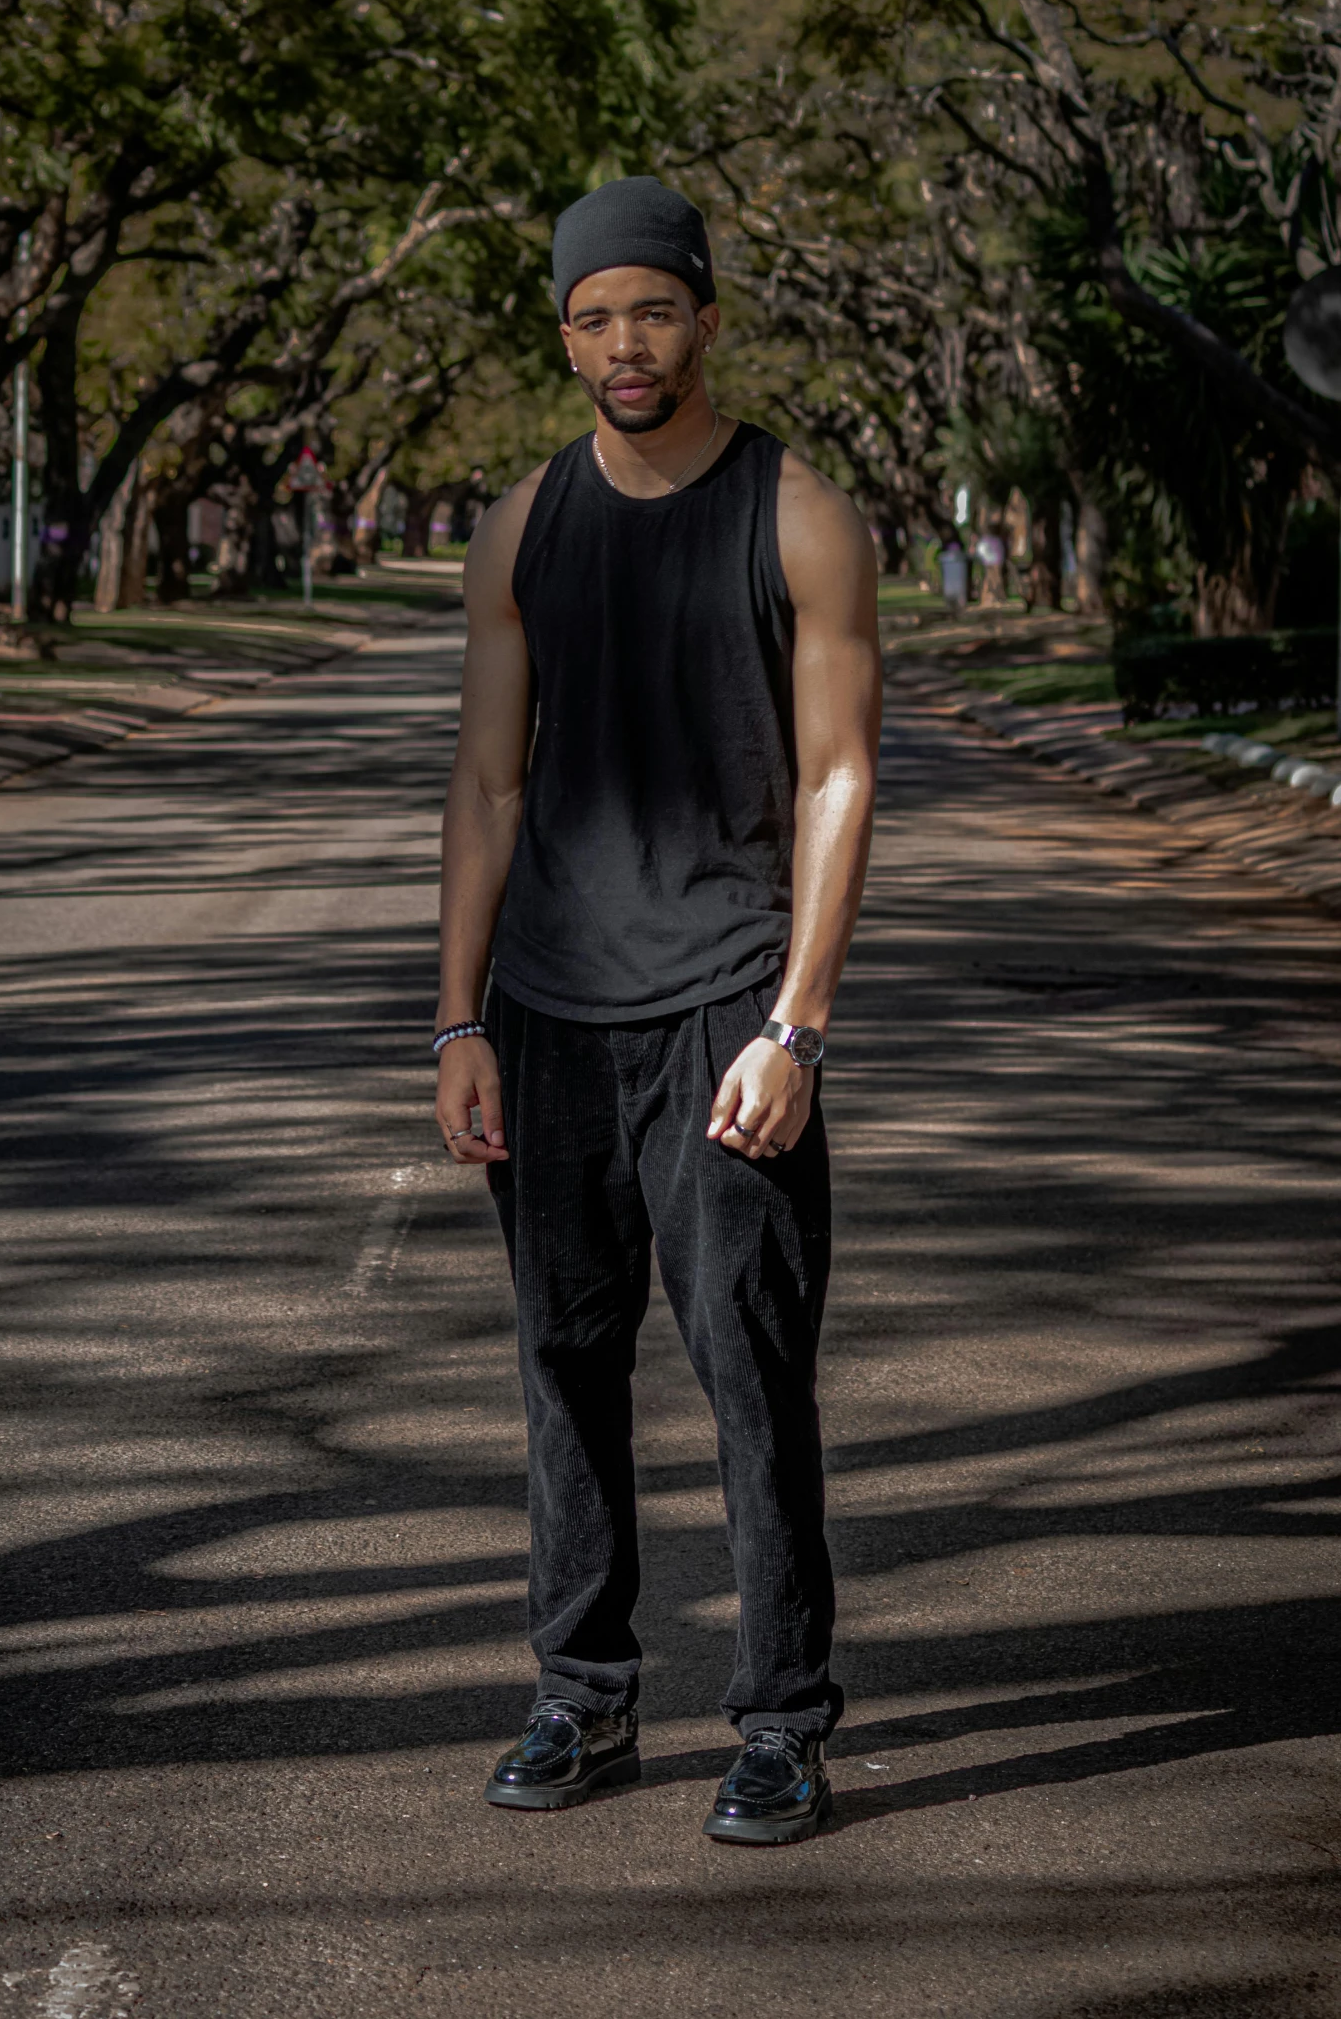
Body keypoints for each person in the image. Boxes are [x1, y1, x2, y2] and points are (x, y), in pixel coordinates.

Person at [433, 175, 881, 1846]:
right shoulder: (519, 526)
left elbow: (840, 774)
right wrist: (454, 1018)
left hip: (720, 1014)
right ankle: (581, 1691)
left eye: (652, 309)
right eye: (592, 317)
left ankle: (777, 1720)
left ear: (704, 314)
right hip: (547, 1016)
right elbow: (486, 783)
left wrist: (798, 1023)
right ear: (565, 336)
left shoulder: (795, 513)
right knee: (563, 1367)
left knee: (750, 1375)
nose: (625, 342)